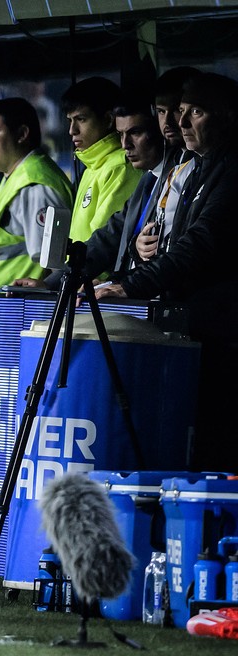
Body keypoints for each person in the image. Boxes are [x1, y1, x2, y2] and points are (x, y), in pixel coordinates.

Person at [95, 71, 238, 472]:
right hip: (195, 327)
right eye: (177, 111)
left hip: (221, 335)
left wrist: (131, 284)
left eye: (195, 112)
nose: (180, 122)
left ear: (225, 116)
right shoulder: (197, 165)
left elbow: (201, 244)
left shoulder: (229, 169)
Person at [12, 100, 166, 291]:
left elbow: (115, 243)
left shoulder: (123, 168)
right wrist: (51, 283)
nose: (126, 144)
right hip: (101, 287)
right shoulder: (147, 180)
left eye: (135, 132)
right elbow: (108, 238)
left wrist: (123, 285)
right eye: (121, 135)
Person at [0, 98, 73, 292]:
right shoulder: (14, 176)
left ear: (22, 134)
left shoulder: (34, 185)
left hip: (22, 309)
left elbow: (53, 265)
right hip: (3, 305)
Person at [61, 76, 143, 242]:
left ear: (108, 120)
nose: (72, 130)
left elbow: (103, 240)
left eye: (81, 119)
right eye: (70, 121)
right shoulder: (92, 166)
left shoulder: (120, 167)